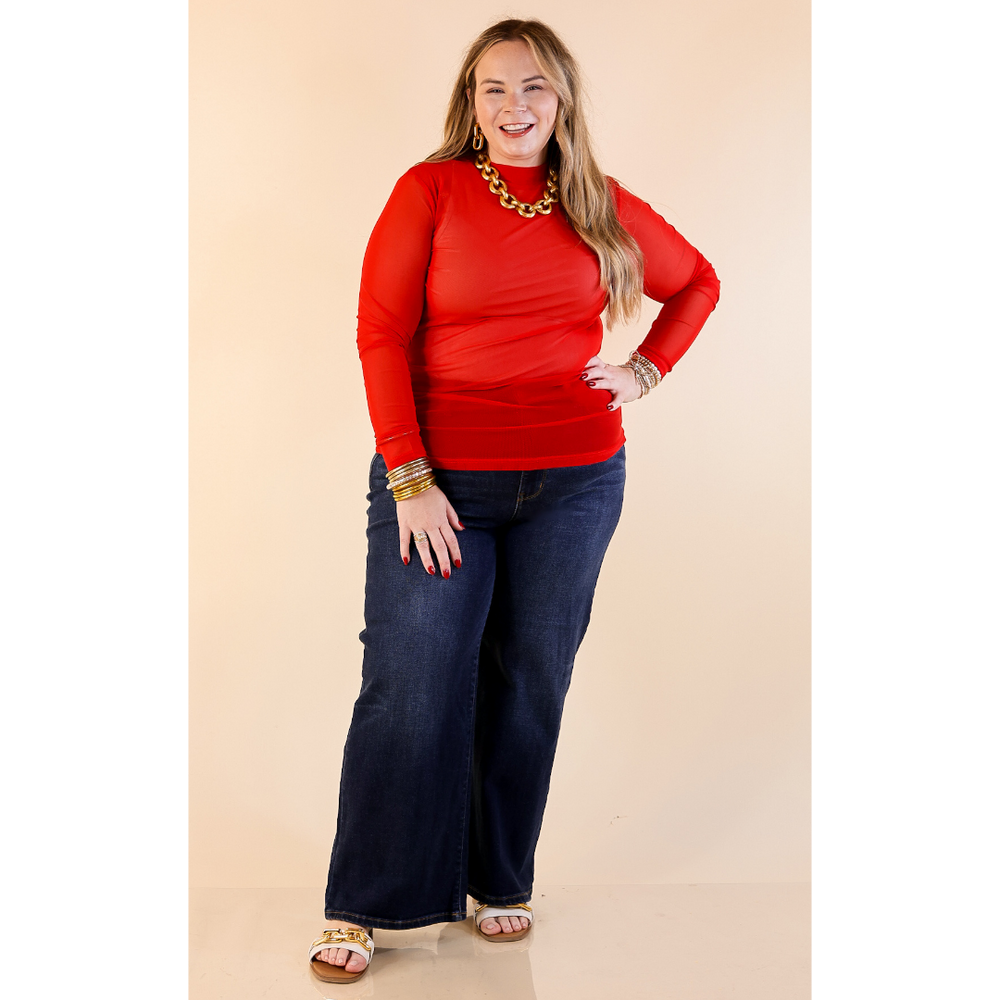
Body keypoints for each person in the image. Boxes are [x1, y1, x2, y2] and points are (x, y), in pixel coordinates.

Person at [308, 18, 720, 983]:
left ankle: (500, 877)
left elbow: (697, 282)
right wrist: (409, 476)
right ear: (471, 101)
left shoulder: (597, 201)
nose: (514, 105)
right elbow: (379, 333)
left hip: (576, 484)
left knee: (531, 680)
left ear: (562, 99)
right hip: (440, 484)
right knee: (411, 683)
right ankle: (365, 902)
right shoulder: (431, 190)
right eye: (494, 88)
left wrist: (646, 370)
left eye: (533, 86)